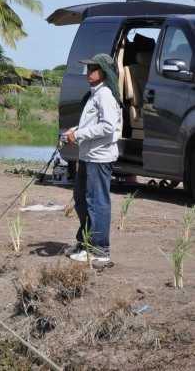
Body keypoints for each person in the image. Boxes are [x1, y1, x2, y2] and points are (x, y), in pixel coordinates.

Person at [61, 53, 122, 263]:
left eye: (93, 69)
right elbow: (93, 124)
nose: (89, 72)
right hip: (88, 156)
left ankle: (100, 250)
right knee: (82, 199)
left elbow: (108, 127)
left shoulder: (105, 94)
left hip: (99, 157)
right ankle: (85, 244)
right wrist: (75, 130)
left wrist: (77, 135)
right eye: (88, 68)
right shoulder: (95, 93)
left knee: (97, 202)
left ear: (104, 72)